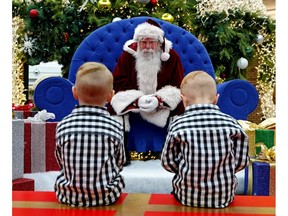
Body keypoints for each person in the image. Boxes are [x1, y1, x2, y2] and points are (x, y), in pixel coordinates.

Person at [161, 71, 249, 208]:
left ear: (183, 99)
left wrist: (186, 168)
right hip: (224, 197)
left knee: (178, 192)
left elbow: (167, 162)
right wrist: (225, 168)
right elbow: (242, 162)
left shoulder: (178, 125)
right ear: (216, 98)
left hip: (187, 197)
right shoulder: (231, 123)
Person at [109, 18, 184, 162]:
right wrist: (137, 100)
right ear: (137, 42)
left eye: (152, 42)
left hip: (161, 100)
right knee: (114, 103)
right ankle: (119, 154)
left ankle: (176, 153)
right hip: (134, 100)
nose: (148, 47)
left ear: (159, 43)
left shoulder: (171, 57)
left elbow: (178, 85)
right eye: (144, 42)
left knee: (180, 104)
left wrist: (159, 100)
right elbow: (117, 83)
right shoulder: (127, 56)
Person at [54, 62, 126, 207]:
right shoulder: (115, 126)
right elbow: (120, 161)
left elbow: (60, 160)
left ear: (74, 92)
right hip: (106, 196)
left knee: (62, 175)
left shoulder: (63, 125)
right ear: (110, 96)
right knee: (118, 178)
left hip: (69, 195)